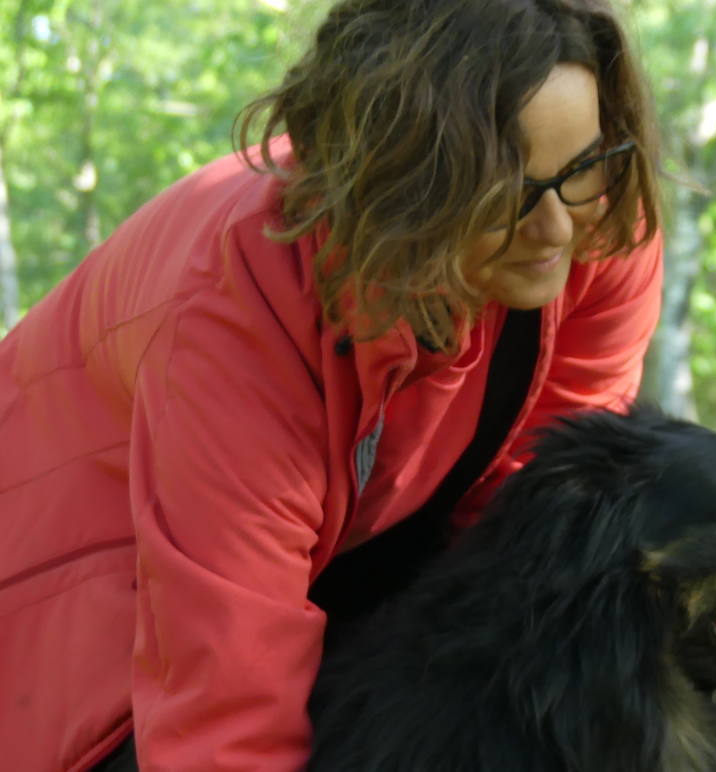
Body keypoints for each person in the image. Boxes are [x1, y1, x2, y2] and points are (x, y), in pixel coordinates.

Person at [0, 0, 663, 768]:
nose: (555, 231)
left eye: (581, 168)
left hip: (337, 540)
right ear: (403, 190)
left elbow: (532, 531)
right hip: (80, 567)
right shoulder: (236, 308)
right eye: (503, 194)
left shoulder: (596, 226)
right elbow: (224, 709)